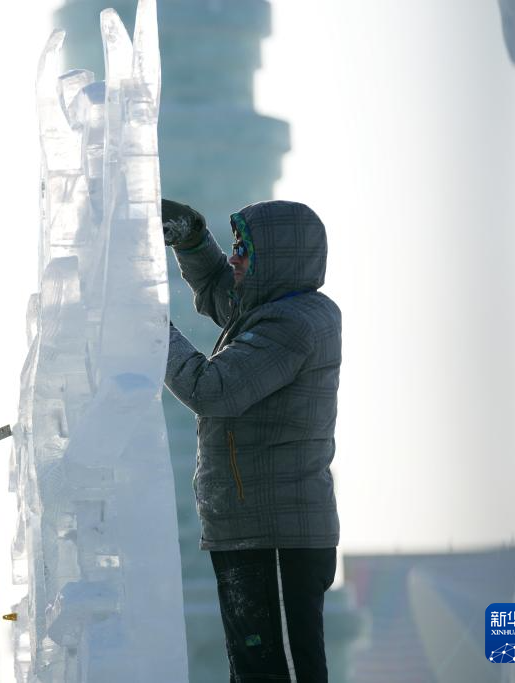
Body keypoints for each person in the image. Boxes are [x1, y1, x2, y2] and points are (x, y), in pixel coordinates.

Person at [161, 199, 341, 682]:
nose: (235, 258)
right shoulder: (279, 309)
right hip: (254, 528)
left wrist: (148, 327)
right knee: (256, 670)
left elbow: (211, 390)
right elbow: (227, 297)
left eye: (244, 249)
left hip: (277, 535)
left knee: (275, 672)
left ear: (278, 258)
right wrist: (195, 243)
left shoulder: (295, 325)